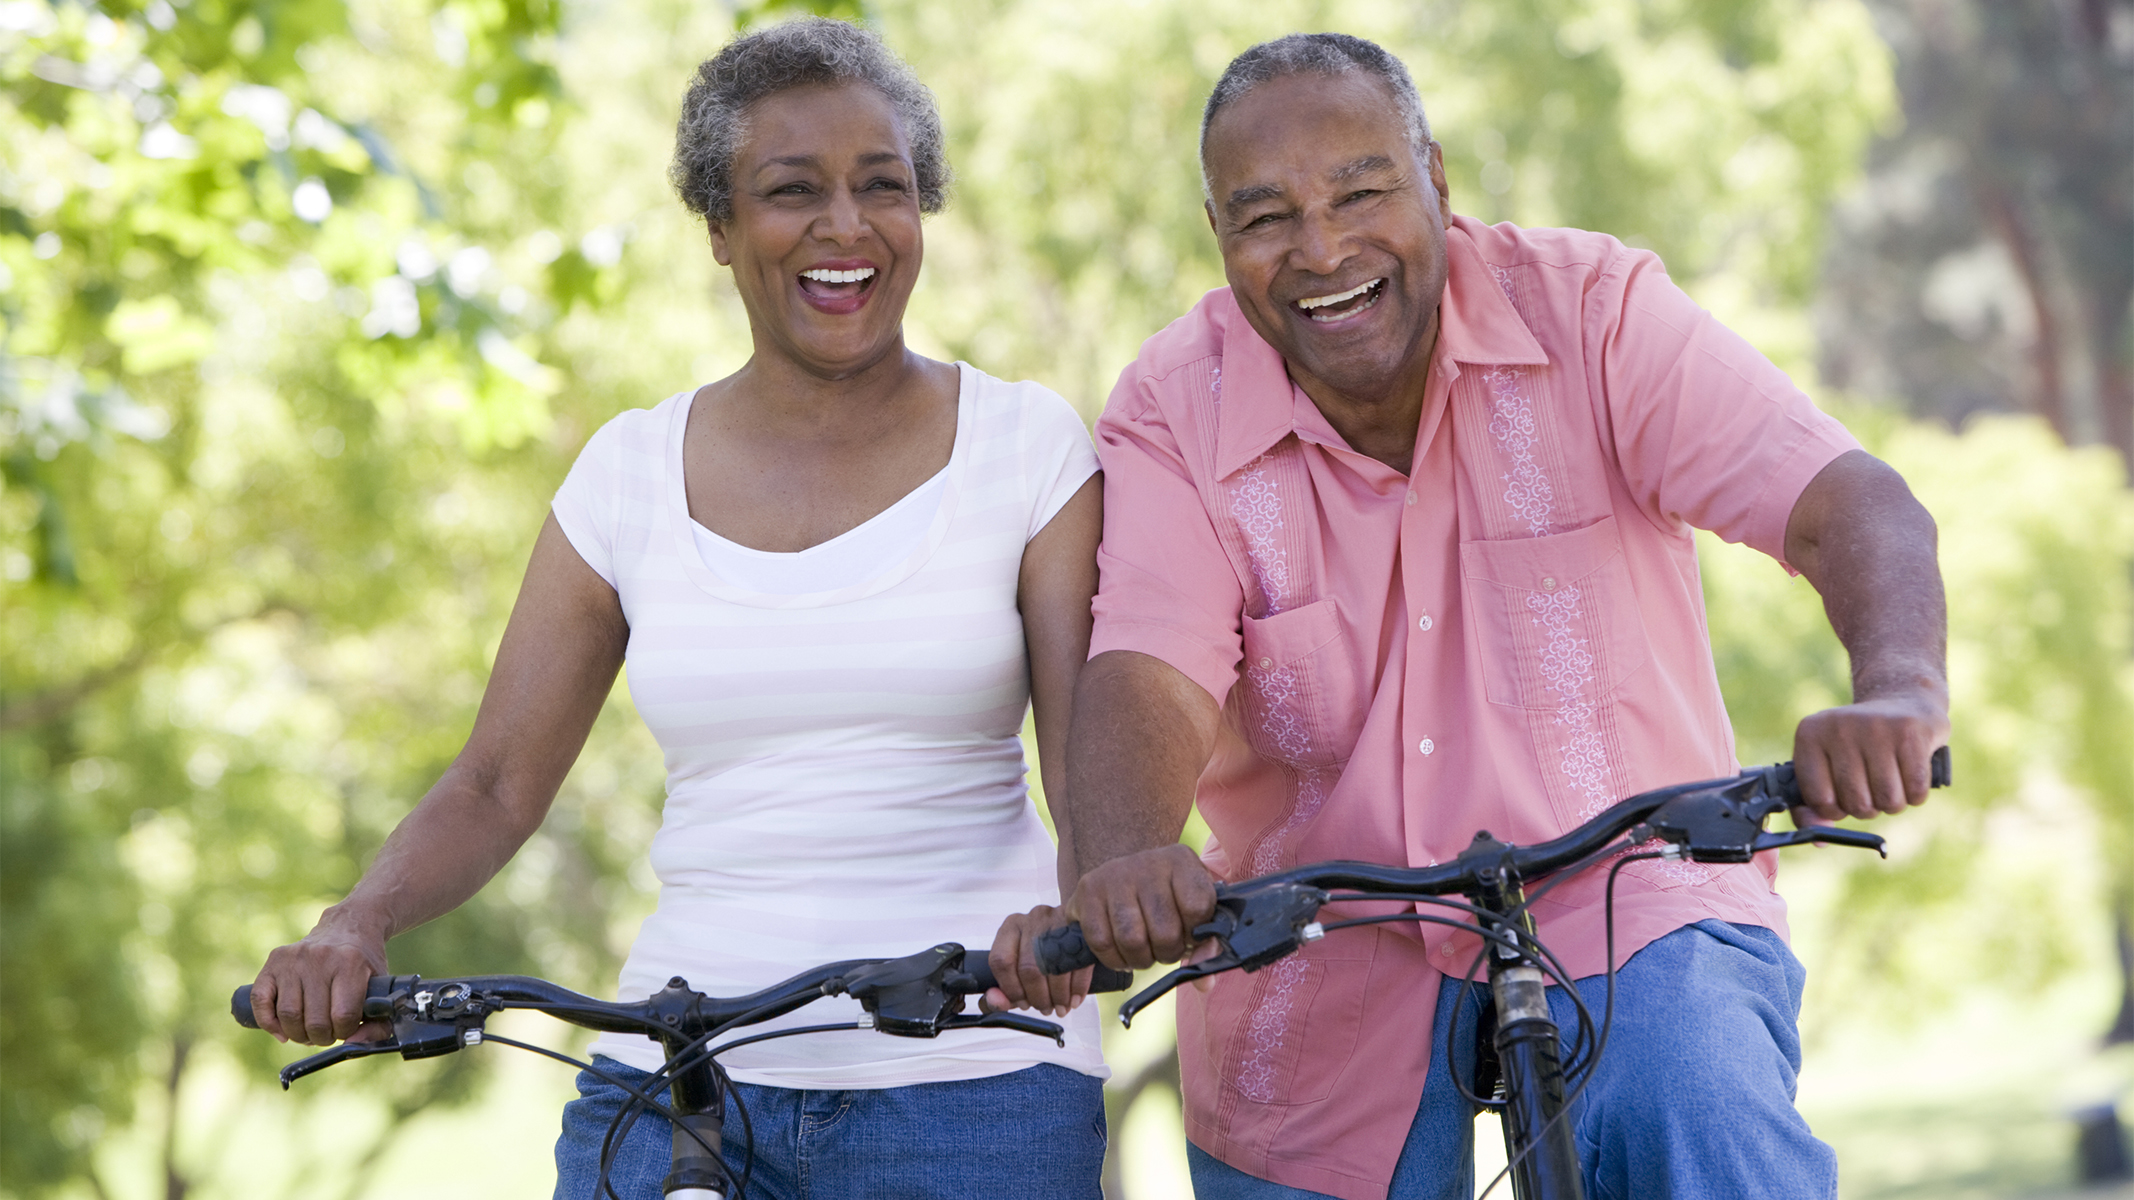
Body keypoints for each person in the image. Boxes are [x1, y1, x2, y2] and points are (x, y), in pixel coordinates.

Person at [1026, 32, 1949, 1200]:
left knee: (1696, 1097)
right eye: (1264, 218)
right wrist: (1123, 857)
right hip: (1312, 937)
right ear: (1218, 238)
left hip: (1623, 893)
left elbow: (1842, 503)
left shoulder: (1592, 313)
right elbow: (1151, 666)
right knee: (1283, 1146)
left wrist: (1899, 692)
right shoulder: (1173, 403)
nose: (1320, 249)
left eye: (1361, 192)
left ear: (1437, 181)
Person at [247, 18, 1107, 1199]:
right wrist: (357, 921)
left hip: (977, 1073)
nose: (844, 227)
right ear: (718, 226)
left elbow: (1090, 767)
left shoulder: (1028, 446)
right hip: (680, 1070)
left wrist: (1085, 911)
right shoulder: (628, 471)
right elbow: (497, 782)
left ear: (924, 211)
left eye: (882, 188)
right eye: (790, 190)